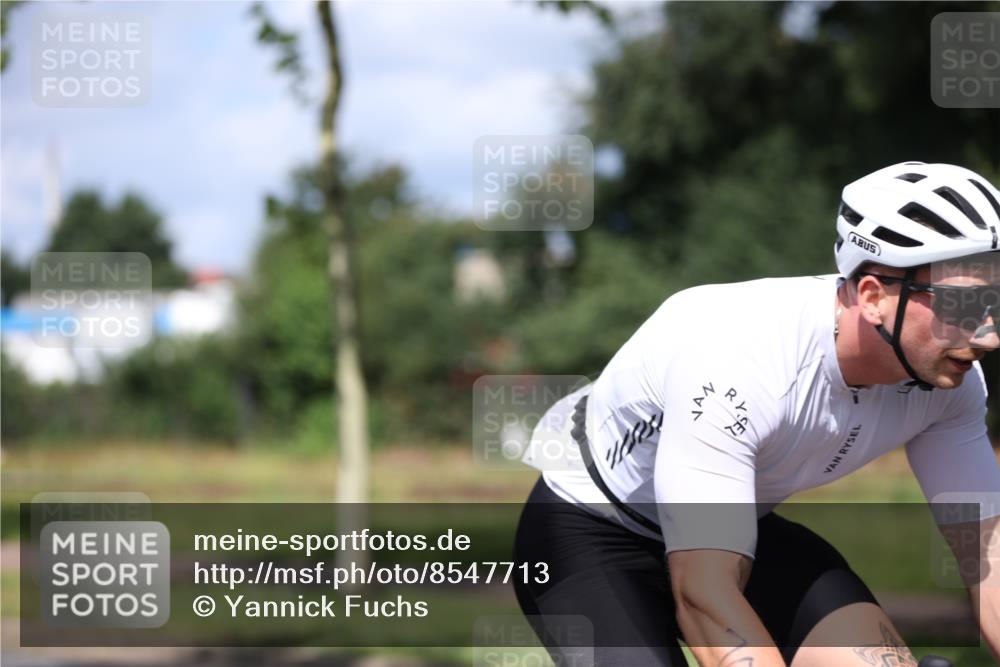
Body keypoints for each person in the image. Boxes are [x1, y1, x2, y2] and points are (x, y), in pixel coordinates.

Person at [512, 161, 1000, 667]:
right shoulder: (739, 357)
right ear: (874, 297)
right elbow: (703, 593)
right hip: (590, 532)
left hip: (738, 529)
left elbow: (988, 557)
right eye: (962, 303)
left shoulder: (951, 377)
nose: (988, 334)